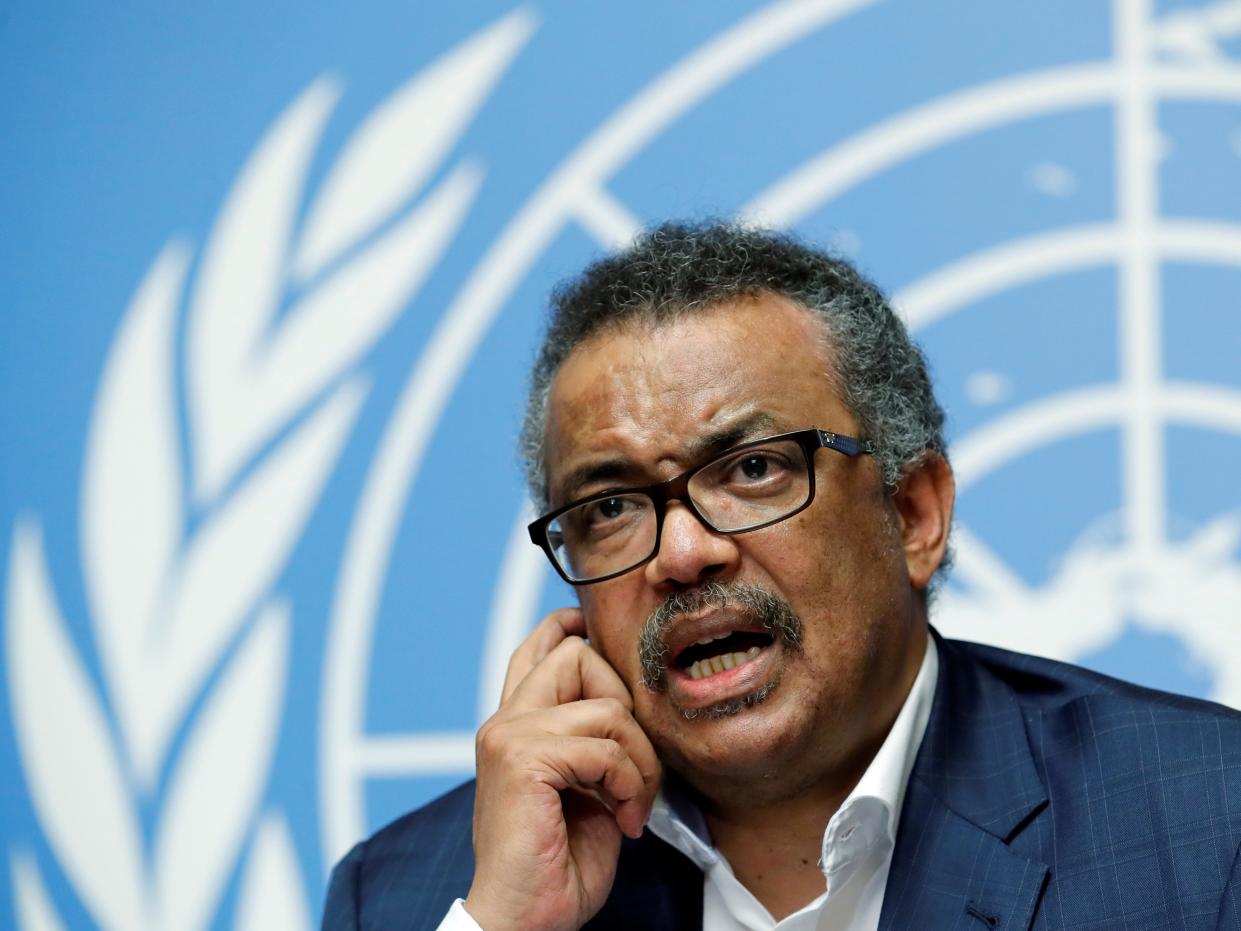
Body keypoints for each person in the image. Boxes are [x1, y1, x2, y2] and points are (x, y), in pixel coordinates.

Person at [322, 223, 1241, 930]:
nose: (683, 554)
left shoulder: (1206, 822)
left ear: (913, 512)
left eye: (753, 467)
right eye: (608, 509)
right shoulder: (417, 891)